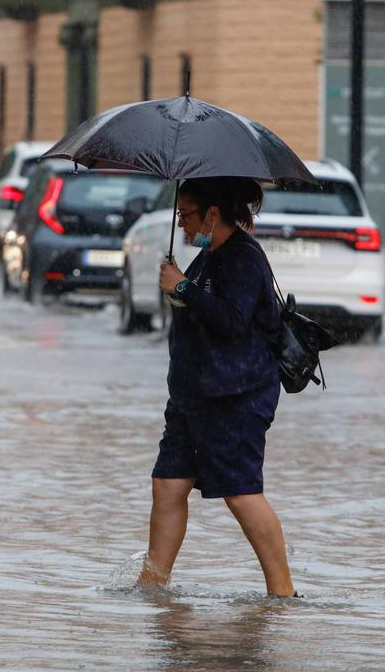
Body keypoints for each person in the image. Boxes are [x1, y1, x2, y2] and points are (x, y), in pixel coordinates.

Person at [138, 176, 296, 598]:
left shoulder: (243, 258)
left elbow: (231, 320)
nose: (183, 224)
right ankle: (152, 588)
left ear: (212, 213)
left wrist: (183, 287)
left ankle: (282, 594)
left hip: (235, 397)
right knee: (168, 485)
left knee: (241, 493)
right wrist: (178, 289)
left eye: (186, 215)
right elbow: (199, 313)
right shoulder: (208, 258)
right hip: (193, 397)